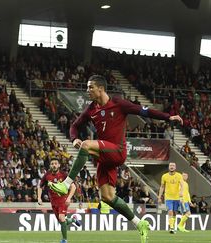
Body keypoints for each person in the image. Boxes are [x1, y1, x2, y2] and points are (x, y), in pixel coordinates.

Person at [49, 75, 183, 243]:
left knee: (86, 145)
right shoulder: (91, 108)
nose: (87, 91)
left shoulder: (119, 103)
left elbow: (144, 110)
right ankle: (139, 223)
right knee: (107, 197)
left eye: (90, 87)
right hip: (104, 158)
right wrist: (74, 138)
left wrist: (168, 117)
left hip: (117, 151)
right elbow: (75, 126)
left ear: (100, 88)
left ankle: (66, 184)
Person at [38, 159, 81, 243]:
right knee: (62, 222)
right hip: (53, 202)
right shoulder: (47, 175)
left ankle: (64, 240)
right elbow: (40, 186)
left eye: (55, 163)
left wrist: (69, 198)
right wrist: (39, 198)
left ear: (59, 165)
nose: (54, 165)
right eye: (52, 164)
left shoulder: (64, 175)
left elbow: (73, 187)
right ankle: (73, 220)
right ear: (50, 165)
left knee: (61, 219)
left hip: (63, 200)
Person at [158, 162, 183, 234]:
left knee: (175, 213)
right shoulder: (164, 176)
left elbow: (182, 185)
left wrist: (181, 192)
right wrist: (159, 197)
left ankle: (172, 225)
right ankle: (171, 228)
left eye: (173, 166)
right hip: (168, 197)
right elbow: (162, 187)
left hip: (177, 197)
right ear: (168, 167)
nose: (171, 167)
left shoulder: (179, 175)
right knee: (170, 211)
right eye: (170, 165)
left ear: (175, 167)